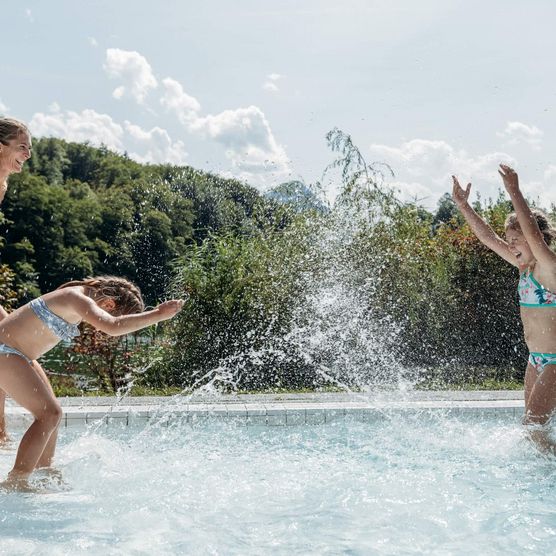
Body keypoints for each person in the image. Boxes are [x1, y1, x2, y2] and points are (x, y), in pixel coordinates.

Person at [0, 276, 183, 490]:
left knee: (52, 417)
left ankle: (44, 470)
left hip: (18, 354)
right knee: (49, 414)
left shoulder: (79, 297)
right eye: (110, 312)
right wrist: (158, 315)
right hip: (6, 352)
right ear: (109, 304)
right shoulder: (75, 297)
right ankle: (16, 480)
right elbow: (113, 326)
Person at [453, 164, 556, 452]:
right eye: (508, 241)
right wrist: (463, 206)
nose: (509, 246)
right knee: (535, 432)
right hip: (536, 359)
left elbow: (533, 236)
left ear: (535, 238)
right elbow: (488, 238)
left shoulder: (549, 268)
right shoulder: (525, 269)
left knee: (534, 428)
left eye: (515, 240)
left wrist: (514, 191)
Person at [0, 117, 33, 442]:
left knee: (5, 341)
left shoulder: (2, 183)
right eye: (22, 146)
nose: (28, 154)